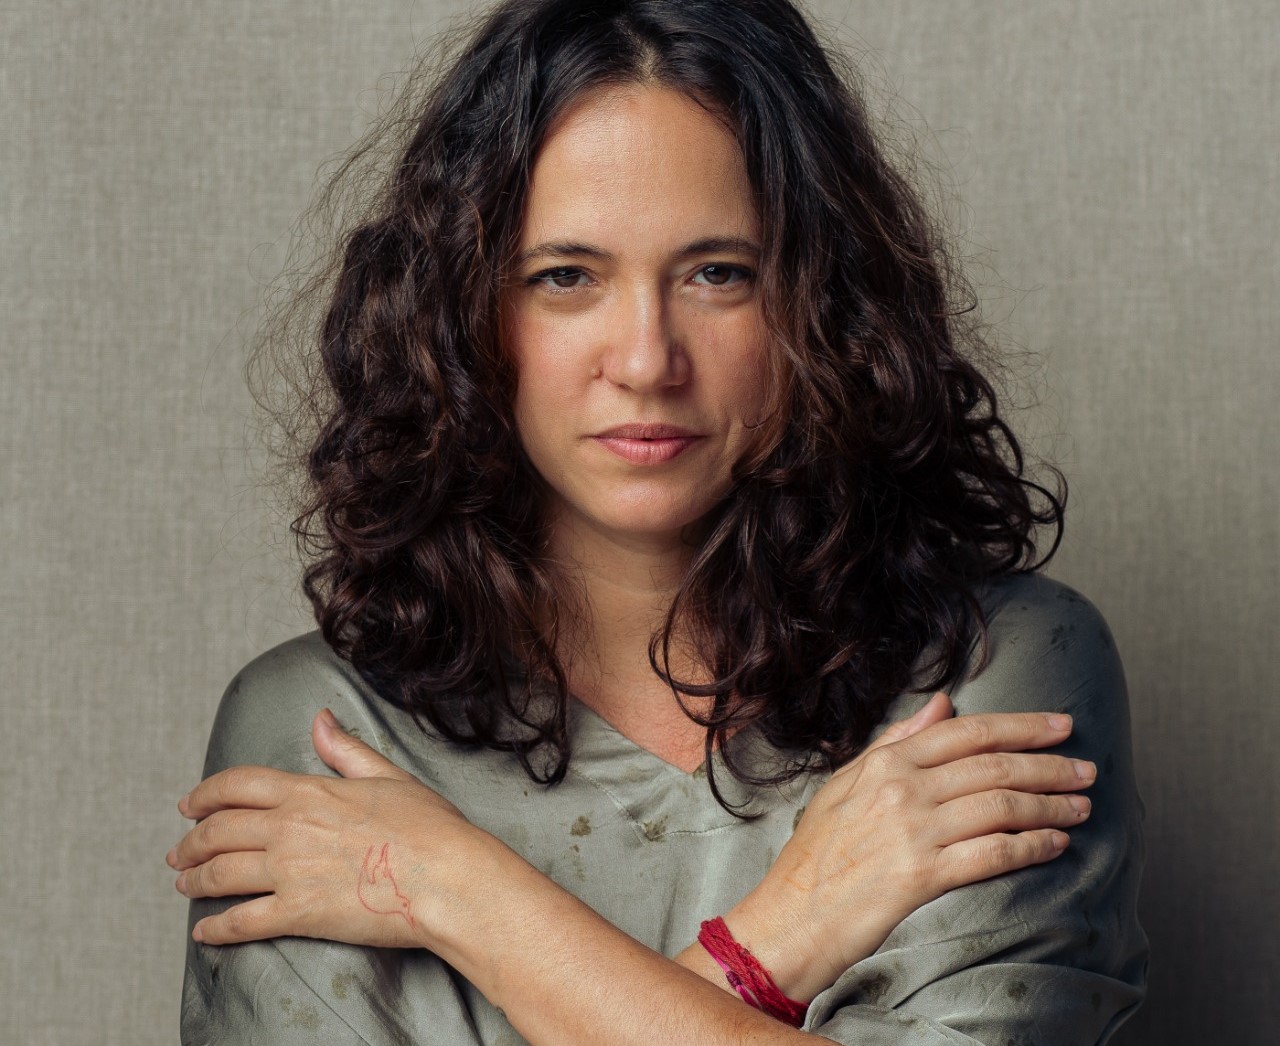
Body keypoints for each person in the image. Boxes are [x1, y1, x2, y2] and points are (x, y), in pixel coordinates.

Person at [170, 0, 1148, 1042]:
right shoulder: (322, 735)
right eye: (565, 277)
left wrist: (450, 886)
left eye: (717, 274)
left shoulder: (988, 672)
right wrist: (784, 933)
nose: (645, 360)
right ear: (462, 316)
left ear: (821, 302)